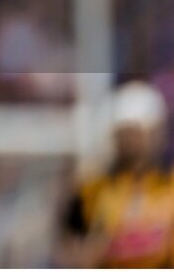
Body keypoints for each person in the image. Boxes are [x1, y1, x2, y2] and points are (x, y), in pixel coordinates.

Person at [58, 80, 174, 268]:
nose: (131, 143)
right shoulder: (93, 188)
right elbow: (71, 249)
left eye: (137, 134)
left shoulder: (169, 186)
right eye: (125, 134)